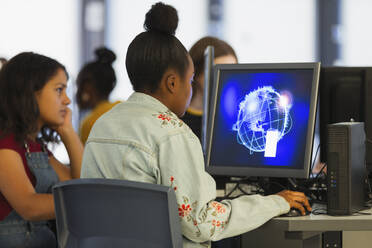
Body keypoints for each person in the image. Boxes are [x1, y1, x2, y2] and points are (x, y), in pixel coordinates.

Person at [81, 2, 311, 248]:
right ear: (172, 83)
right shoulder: (172, 133)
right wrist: (276, 202)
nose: (191, 90)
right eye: (190, 81)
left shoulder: (101, 127)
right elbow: (203, 223)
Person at [0, 52, 83, 247]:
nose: (67, 101)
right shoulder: (5, 144)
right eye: (59, 90)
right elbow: (30, 206)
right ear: (30, 93)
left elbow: (79, 184)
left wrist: (68, 132)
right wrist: (85, 203)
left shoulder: (35, 145)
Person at [181, 37, 237, 140]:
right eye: (217, 72)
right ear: (195, 73)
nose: (225, 79)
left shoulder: (234, 119)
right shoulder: (176, 117)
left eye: (232, 72)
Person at [76, 47, 120, 144]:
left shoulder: (90, 123)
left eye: (78, 85)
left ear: (87, 86)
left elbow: (83, 159)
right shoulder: (124, 107)